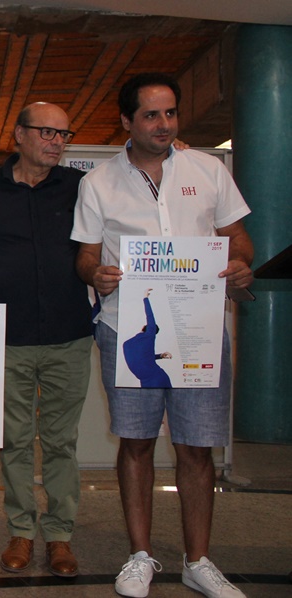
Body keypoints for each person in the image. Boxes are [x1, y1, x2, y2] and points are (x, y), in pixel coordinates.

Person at [72, 73, 253, 598]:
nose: (164, 124)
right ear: (126, 122)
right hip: (126, 330)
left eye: (171, 113)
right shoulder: (97, 182)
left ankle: (199, 560)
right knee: (136, 443)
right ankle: (140, 556)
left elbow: (237, 237)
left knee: (198, 448)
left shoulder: (207, 170)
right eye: (151, 115)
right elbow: (85, 253)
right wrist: (95, 273)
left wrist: (240, 263)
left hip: (197, 330)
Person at [0, 101, 93, 578]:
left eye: (63, 134)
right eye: (46, 132)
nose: (56, 142)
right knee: (15, 440)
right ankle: (21, 530)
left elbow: (132, 180)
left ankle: (59, 537)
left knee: (61, 441)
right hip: (7, 335)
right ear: (18, 134)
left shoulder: (81, 187)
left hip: (68, 333)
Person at [122, 289, 173, 388]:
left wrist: (160, 356)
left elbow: (144, 357)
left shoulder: (127, 344)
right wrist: (145, 298)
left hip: (148, 380)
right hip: (154, 378)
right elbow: (150, 316)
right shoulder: (149, 335)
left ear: (142, 328)